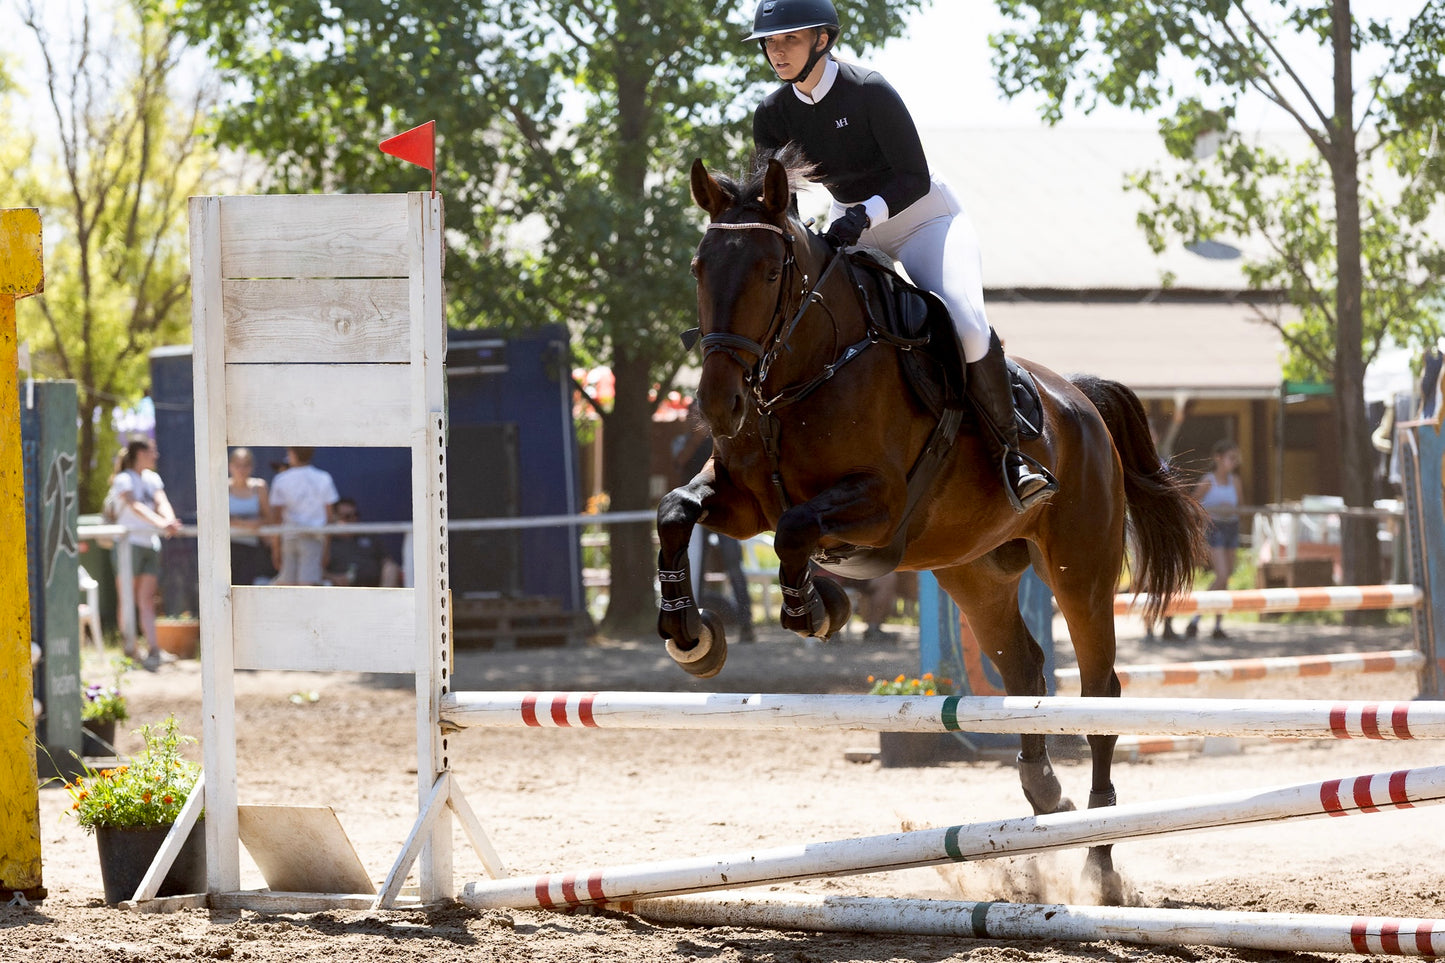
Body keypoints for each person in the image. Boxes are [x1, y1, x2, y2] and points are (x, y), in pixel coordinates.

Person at [745, 0, 1054, 512]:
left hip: (925, 220)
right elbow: (783, 208)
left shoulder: (868, 91)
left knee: (968, 325)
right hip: (853, 229)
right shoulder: (772, 115)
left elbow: (912, 176)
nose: (777, 51)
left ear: (822, 40)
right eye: (771, 42)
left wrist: (863, 215)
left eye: (790, 40)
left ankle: (1012, 455)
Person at [107, 438, 182, 669]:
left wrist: (168, 520)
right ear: (140, 453)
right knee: (127, 598)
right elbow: (134, 506)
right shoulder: (123, 479)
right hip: (127, 545)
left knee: (146, 600)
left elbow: (161, 501)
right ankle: (130, 651)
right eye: (152, 451)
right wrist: (162, 523)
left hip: (150, 544)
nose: (156, 455)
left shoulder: (152, 478)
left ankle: (153, 650)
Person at [1183, 440, 1243, 640]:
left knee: (1225, 579)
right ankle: (1196, 617)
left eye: (1236, 458)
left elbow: (1241, 507)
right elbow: (1192, 504)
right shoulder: (1208, 481)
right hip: (1215, 528)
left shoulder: (1235, 481)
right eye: (1231, 458)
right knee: (1222, 575)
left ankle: (1217, 625)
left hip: (1231, 528)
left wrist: (1230, 510)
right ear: (1219, 458)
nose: (1234, 462)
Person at [268, 447, 338, 586]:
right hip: (313, 538)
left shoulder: (281, 479)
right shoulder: (324, 478)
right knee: (306, 587)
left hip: (289, 538)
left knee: (289, 588)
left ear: (292, 454)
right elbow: (329, 517)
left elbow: (277, 519)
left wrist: (275, 549)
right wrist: (326, 548)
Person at [325, 497, 402, 587]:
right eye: (347, 516)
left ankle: (384, 599)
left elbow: (386, 560)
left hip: (376, 588)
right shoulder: (328, 541)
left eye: (356, 515)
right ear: (335, 518)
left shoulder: (368, 535)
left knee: (391, 568)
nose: (353, 519)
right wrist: (333, 577)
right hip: (344, 591)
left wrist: (389, 567)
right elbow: (318, 571)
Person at [227, 447, 275, 586]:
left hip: (252, 548)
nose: (241, 470)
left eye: (245, 465)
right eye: (237, 465)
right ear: (230, 466)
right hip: (227, 549)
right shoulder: (222, 487)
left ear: (251, 467)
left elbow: (269, 518)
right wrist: (246, 523)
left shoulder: (259, 487)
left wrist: (240, 522)